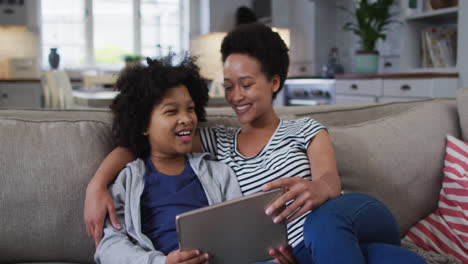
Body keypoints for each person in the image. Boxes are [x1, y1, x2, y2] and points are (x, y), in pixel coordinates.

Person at [85, 23, 426, 263]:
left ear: (275, 81)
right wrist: (97, 184)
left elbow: (330, 179)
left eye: (246, 84)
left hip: (349, 217)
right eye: (229, 86)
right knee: (396, 261)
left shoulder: (306, 129)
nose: (236, 97)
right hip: (307, 255)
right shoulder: (216, 141)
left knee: (322, 223)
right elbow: (151, 141)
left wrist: (319, 189)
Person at [94, 55, 245, 263]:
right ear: (143, 125)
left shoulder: (219, 173)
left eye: (190, 109)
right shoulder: (128, 180)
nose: (186, 119)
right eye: (171, 111)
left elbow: (240, 229)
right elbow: (109, 244)